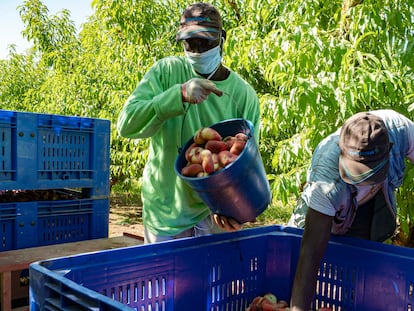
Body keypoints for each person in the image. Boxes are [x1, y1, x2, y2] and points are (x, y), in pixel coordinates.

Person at [117, 2, 261, 244]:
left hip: (215, 218)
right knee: (167, 282)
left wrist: (236, 209)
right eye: (189, 43)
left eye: (205, 42)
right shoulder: (166, 72)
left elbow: (245, 163)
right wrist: (178, 95)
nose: (197, 50)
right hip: (166, 214)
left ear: (222, 39)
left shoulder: (242, 95)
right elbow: (127, 125)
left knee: (212, 282)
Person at [287, 109, 414, 311]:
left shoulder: (402, 130)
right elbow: (310, 252)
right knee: (304, 265)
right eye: (356, 171)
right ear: (341, 149)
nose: (362, 181)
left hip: (372, 206)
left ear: (389, 149)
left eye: (369, 173)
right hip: (333, 211)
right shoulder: (326, 180)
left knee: (362, 268)